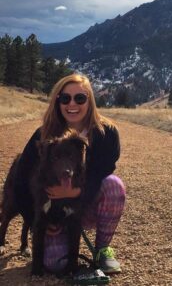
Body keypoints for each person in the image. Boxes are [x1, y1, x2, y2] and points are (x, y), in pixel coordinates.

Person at [14, 73, 126, 274]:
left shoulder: (107, 134)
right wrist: (35, 220)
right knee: (55, 264)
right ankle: (59, 238)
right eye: (65, 98)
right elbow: (20, 181)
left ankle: (101, 250)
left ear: (89, 101)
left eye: (80, 98)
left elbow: (102, 172)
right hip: (53, 215)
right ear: (58, 101)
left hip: (86, 206)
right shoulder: (43, 135)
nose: (72, 104)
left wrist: (76, 193)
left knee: (113, 184)